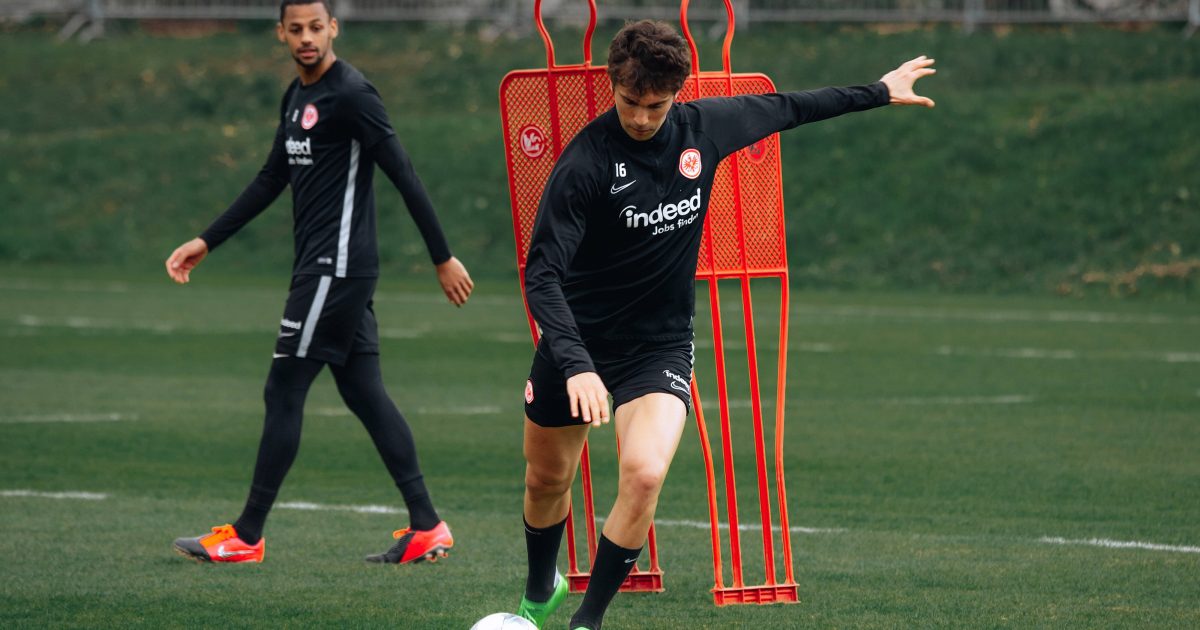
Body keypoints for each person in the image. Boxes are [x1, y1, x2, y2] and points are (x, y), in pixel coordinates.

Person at [513, 20, 935, 629]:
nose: (639, 117)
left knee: (645, 473)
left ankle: (587, 621)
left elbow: (789, 107)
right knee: (547, 480)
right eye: (630, 102)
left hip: (657, 345)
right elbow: (542, 274)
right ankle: (537, 589)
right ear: (614, 86)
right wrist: (576, 364)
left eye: (655, 105)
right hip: (577, 342)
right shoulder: (586, 163)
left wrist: (879, 89)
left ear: (678, 92)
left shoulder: (704, 129)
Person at [165, 0, 474, 565]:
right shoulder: (297, 97)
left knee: (283, 389)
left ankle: (247, 535)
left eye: (316, 27)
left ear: (333, 28)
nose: (307, 38)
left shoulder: (353, 94)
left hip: (335, 270)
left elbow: (402, 171)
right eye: (296, 29)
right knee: (363, 391)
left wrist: (442, 256)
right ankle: (427, 525)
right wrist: (206, 241)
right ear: (281, 33)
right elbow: (270, 178)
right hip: (327, 270)